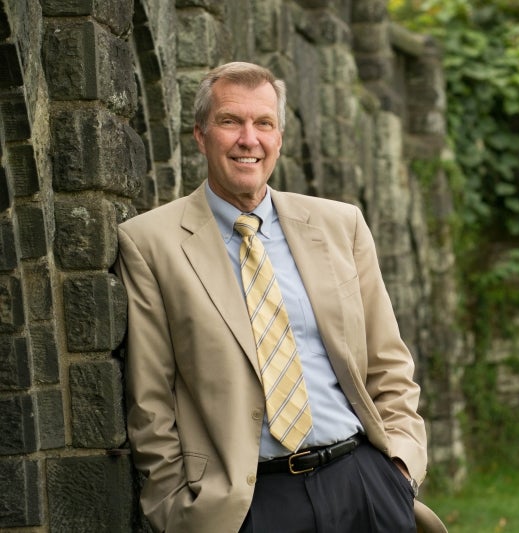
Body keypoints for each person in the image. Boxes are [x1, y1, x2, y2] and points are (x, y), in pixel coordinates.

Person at [115, 61, 446, 533]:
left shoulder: (340, 225)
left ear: (279, 137)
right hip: (250, 506)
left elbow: (387, 361)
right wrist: (176, 509)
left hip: (364, 482)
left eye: (264, 123)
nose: (249, 139)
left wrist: (401, 465)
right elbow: (150, 399)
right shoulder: (151, 243)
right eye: (231, 121)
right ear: (201, 134)